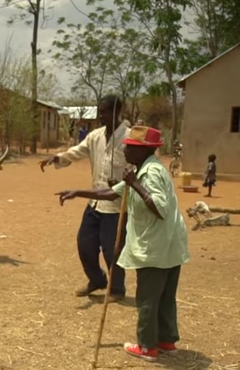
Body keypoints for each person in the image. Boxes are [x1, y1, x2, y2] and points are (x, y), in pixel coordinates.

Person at [55, 125, 189, 363]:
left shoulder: (149, 174)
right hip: (170, 244)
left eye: (129, 147)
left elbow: (160, 209)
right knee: (165, 295)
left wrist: (135, 184)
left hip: (156, 246)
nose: (125, 149)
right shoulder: (144, 169)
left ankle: (147, 347)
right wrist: (77, 192)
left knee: (148, 297)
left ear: (142, 150)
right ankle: (167, 340)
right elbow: (111, 193)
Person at [40, 95, 131, 303]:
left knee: (112, 249)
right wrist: (57, 158)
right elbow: (76, 152)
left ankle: (117, 288)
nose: (101, 116)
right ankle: (97, 279)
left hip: (117, 205)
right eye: (100, 111)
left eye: (106, 111)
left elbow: (136, 167)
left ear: (118, 113)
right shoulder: (95, 136)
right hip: (95, 203)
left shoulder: (128, 137)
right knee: (85, 244)